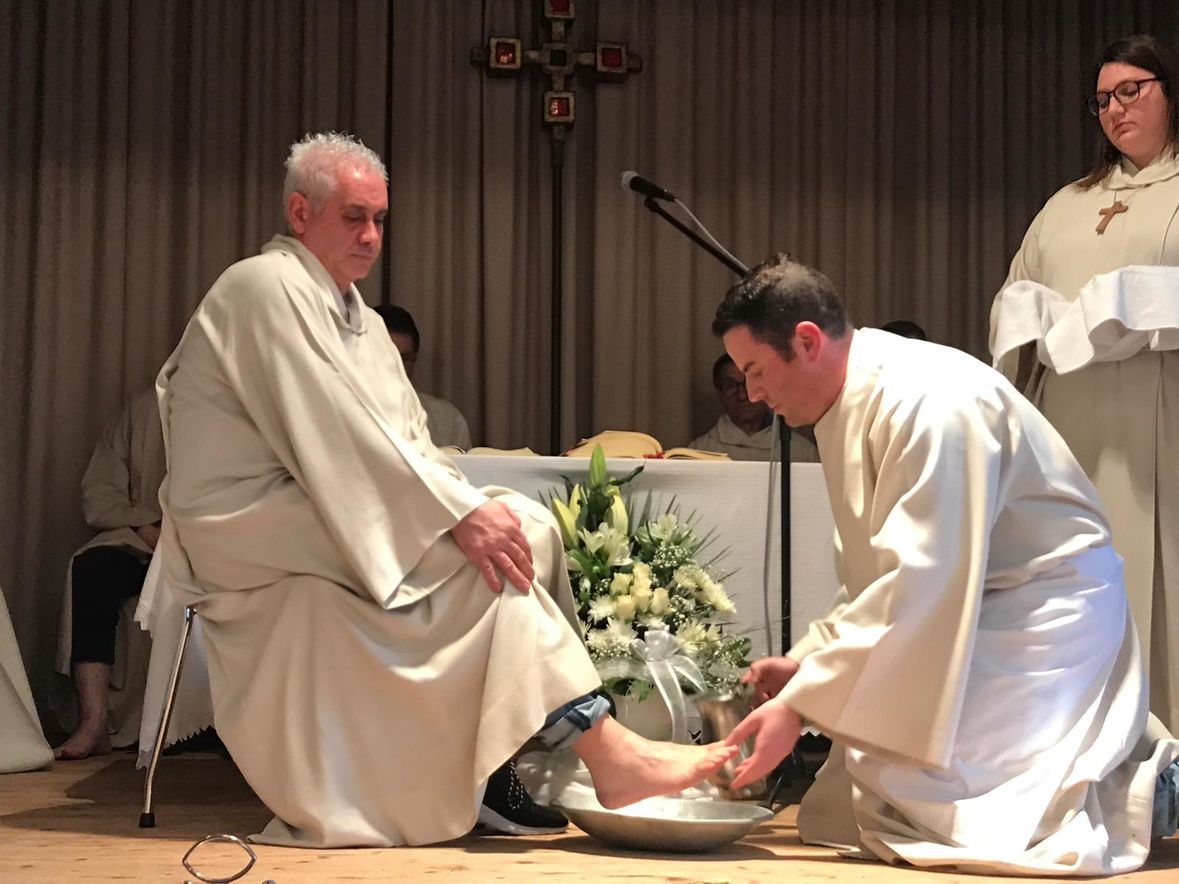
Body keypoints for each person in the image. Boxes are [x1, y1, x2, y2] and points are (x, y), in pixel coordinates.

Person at [151, 132, 734, 848]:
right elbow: (338, 432)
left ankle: (496, 764)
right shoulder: (261, 286)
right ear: (300, 213)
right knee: (477, 561)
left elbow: (409, 443)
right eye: (353, 217)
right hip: (247, 518)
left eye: (379, 219)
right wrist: (455, 515)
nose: (371, 237)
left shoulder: (363, 321)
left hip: (321, 504)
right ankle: (606, 752)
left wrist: (472, 506)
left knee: (525, 529)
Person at [713, 254, 1178, 876]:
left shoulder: (929, 401)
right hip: (975, 603)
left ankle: (1153, 786)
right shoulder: (856, 398)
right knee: (880, 787)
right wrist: (809, 663)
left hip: (1044, 612)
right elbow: (883, 570)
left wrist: (800, 705)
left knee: (958, 801)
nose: (752, 394)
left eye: (755, 371)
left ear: (806, 341)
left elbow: (922, 577)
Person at [989, 34, 1179, 734]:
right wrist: (1026, 319)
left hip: (1162, 414)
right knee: (1077, 580)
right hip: (1070, 418)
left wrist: (1143, 308)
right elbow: (1016, 291)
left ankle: (1163, 743)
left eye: (1131, 90)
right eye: (1102, 99)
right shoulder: (1068, 203)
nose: (1114, 109)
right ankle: (1074, 744)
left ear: (1169, 91)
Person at [53, 388, 164, 760]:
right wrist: (146, 528)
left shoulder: (242, 403)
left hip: (218, 549)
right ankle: (94, 721)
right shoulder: (144, 409)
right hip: (145, 540)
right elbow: (101, 488)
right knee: (92, 570)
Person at [372, 304, 472, 449]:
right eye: (386, 356)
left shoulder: (449, 421)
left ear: (414, 360)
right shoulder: (341, 417)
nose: (396, 367)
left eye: (404, 359)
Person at [688, 353, 819, 462]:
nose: (742, 395)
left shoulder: (803, 453)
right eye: (731, 386)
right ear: (719, 393)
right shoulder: (698, 452)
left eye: (748, 383)